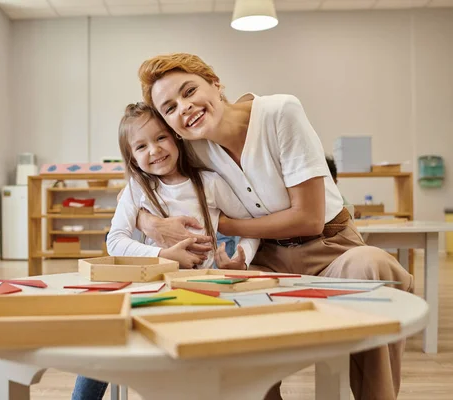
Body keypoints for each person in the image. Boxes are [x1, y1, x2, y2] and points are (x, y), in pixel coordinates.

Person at [133, 53, 413, 400]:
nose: (185, 108)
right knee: (220, 302)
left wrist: (224, 224)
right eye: (170, 108)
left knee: (374, 266)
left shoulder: (280, 112)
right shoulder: (194, 147)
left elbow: (308, 219)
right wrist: (149, 222)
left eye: (189, 91)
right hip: (266, 258)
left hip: (331, 248)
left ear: (216, 84)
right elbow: (135, 186)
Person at [71, 101, 260, 400]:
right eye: (141, 146)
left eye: (161, 138)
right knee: (103, 337)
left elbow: (251, 224)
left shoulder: (210, 182)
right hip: (150, 287)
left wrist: (243, 260)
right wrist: (163, 256)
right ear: (132, 158)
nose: (155, 150)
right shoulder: (136, 189)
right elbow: (115, 240)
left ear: (176, 137)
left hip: (203, 290)